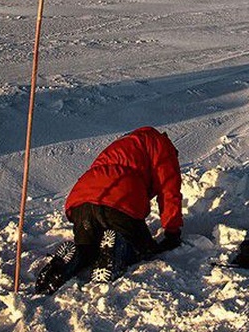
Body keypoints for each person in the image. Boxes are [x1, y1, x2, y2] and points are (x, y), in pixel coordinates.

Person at [35, 126, 183, 294]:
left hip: (82, 200)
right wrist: (172, 232)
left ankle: (68, 262)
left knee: (88, 248)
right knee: (142, 250)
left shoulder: (125, 144)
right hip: (120, 198)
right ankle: (114, 252)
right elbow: (169, 191)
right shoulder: (164, 149)